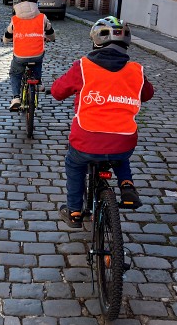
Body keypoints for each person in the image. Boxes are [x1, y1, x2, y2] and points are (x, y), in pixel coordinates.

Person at [50, 16, 154, 228]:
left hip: (86, 140)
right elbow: (147, 94)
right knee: (120, 154)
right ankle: (127, 185)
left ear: (96, 42)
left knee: (74, 164)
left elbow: (57, 92)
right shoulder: (135, 70)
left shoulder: (83, 67)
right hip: (124, 141)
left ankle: (75, 211)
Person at [2, 0, 55, 111]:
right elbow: (50, 32)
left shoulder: (15, 19)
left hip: (19, 56)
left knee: (15, 74)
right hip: (37, 54)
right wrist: (51, 38)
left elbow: (8, 35)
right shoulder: (42, 18)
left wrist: (5, 40)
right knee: (39, 59)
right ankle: (38, 82)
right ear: (36, 4)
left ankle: (16, 98)